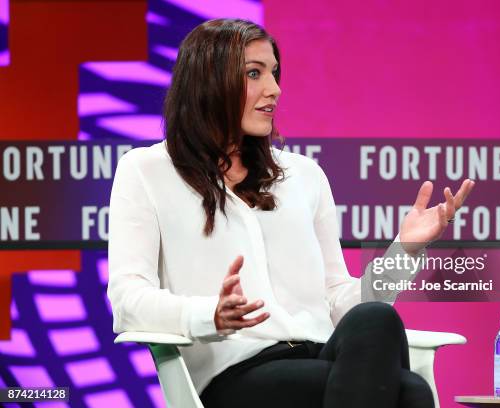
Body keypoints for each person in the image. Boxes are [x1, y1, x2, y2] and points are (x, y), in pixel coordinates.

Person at [107, 18, 474, 408]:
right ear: (207, 82)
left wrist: (405, 250)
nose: (274, 90)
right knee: (410, 392)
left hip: (323, 357)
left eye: (275, 73)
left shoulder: (303, 175)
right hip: (237, 374)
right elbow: (128, 300)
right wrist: (208, 314)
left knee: (375, 320)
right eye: (254, 73)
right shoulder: (147, 170)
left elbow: (340, 303)